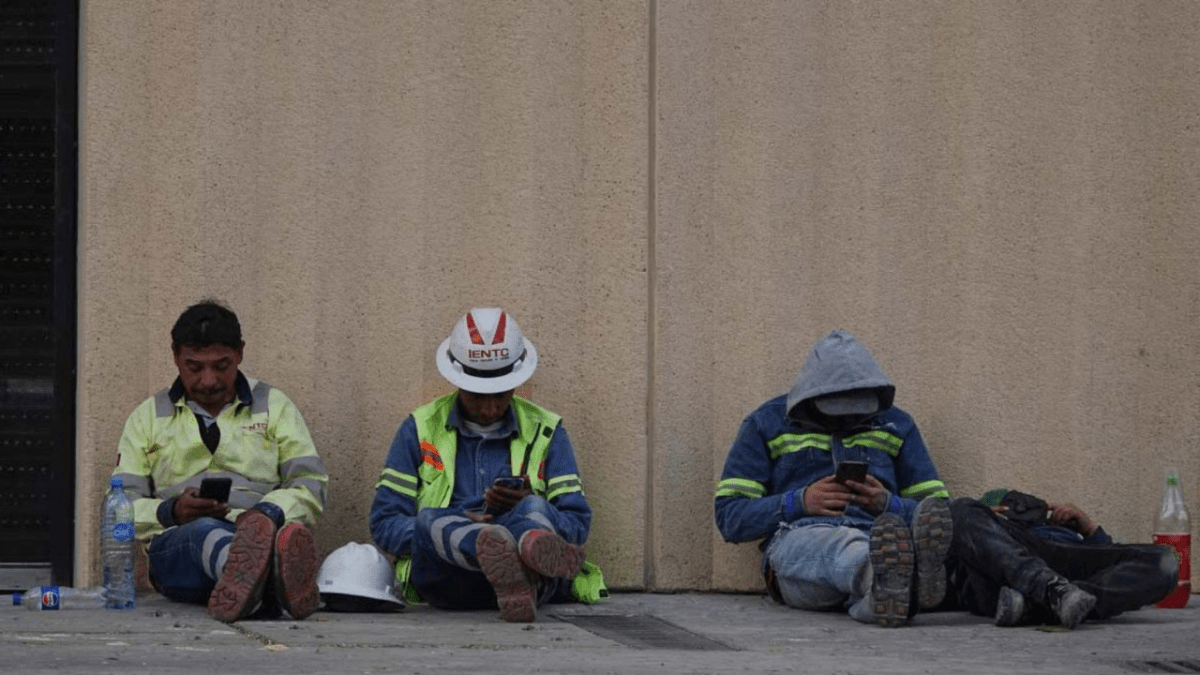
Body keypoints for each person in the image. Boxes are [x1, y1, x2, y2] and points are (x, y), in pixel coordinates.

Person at [369, 307, 596, 623]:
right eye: (477, 396)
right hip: (448, 580)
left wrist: (535, 512)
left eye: (500, 395)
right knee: (427, 521)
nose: (490, 408)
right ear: (457, 381)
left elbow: (577, 523)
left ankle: (526, 548)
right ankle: (501, 545)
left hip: (534, 584)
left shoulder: (547, 430)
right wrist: (462, 524)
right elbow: (384, 523)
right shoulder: (419, 429)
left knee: (534, 507)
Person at [715, 329, 952, 627]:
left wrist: (886, 503)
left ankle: (881, 596)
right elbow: (730, 518)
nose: (847, 421)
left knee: (886, 549)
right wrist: (800, 501)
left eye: (857, 413)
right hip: (798, 549)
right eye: (836, 412)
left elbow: (939, 513)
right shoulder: (764, 424)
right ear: (809, 399)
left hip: (876, 534)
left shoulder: (897, 424)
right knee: (835, 544)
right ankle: (889, 576)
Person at [111, 301, 328, 622]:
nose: (209, 380)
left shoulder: (275, 406)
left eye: (222, 365)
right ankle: (260, 574)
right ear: (175, 357)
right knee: (202, 532)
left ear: (240, 353)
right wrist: (169, 511)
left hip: (259, 530)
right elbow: (118, 511)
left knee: (254, 536)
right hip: (176, 548)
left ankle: (254, 583)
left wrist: (266, 514)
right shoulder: (147, 417)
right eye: (194, 368)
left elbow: (310, 485)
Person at [941, 491, 1178, 629]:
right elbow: (955, 580)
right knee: (959, 508)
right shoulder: (986, 530)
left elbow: (1115, 567)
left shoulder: (1064, 533)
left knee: (1164, 560)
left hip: (1060, 568)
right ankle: (1050, 590)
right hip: (1005, 576)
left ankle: (1039, 605)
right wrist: (986, 524)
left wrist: (1089, 530)